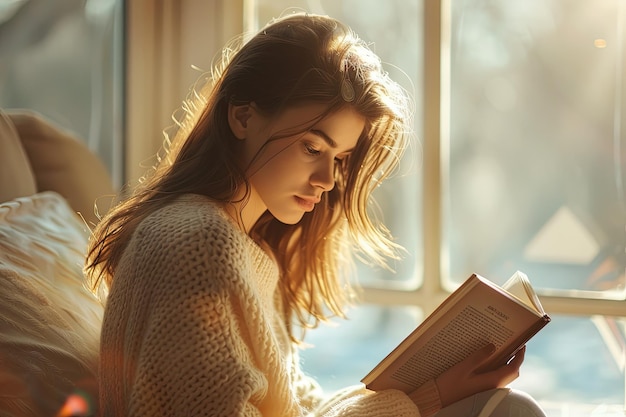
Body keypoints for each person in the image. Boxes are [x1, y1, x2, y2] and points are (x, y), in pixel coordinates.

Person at [85, 12, 547, 417]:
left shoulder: (242, 246)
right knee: (511, 412)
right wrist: (424, 399)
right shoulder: (199, 242)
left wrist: (429, 394)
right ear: (242, 117)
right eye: (312, 147)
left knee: (506, 408)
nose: (327, 179)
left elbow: (297, 408)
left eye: (340, 158)